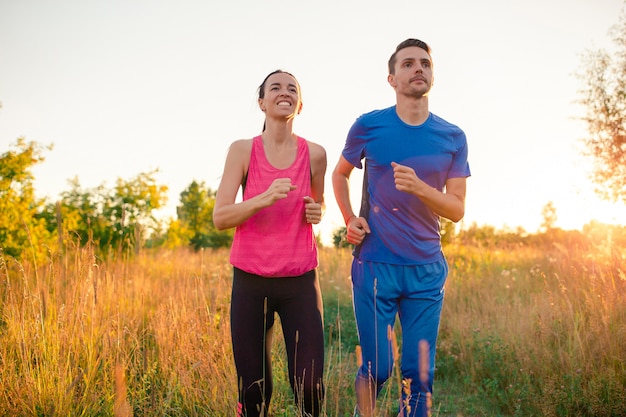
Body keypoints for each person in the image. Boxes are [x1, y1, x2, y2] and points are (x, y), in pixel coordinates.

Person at [332, 38, 471, 417]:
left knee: (418, 374)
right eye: (408, 64)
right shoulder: (368, 126)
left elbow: (457, 209)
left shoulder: (452, 136)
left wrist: (421, 188)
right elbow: (340, 175)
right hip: (375, 266)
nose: (418, 69)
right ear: (392, 78)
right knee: (377, 368)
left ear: (433, 74)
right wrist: (350, 219)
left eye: (425, 63)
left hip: (426, 270)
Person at [213, 70, 327, 417]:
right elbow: (221, 217)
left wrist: (316, 212)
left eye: (292, 88)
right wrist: (262, 198)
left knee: (309, 384)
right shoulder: (243, 151)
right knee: (253, 389)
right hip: (251, 282)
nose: (284, 92)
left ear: (300, 104)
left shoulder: (317, 154)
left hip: (300, 282)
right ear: (261, 102)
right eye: (275, 87)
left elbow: (317, 207)